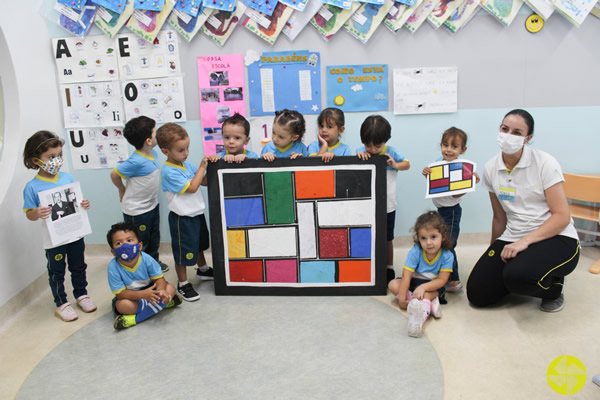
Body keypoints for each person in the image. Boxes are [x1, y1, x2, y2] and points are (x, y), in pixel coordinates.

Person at [466, 109, 580, 312]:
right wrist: (491, 254)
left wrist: (524, 242)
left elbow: (562, 216)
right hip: (514, 235)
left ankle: (554, 287)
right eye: (504, 128)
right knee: (478, 293)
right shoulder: (491, 168)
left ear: (528, 138)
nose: (508, 135)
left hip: (555, 236)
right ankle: (522, 273)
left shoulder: (545, 163)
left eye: (517, 132)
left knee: (516, 276)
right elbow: (499, 217)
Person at [22, 130, 96, 322]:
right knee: (57, 271)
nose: (57, 160)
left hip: (75, 234)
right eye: (51, 157)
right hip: (54, 239)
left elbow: (77, 203)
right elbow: (29, 214)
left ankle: (81, 294)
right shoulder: (32, 187)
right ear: (36, 160)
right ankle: (61, 303)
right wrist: (36, 213)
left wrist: (84, 205)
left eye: (59, 155)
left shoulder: (68, 179)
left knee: (78, 266)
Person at [156, 123, 213, 302]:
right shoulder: (168, 171)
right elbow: (193, 187)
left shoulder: (185, 165)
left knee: (199, 244)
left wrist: (214, 167)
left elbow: (203, 182)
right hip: (182, 219)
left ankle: (203, 269)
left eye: (187, 147)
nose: (186, 152)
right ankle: (183, 283)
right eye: (181, 150)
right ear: (165, 151)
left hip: (196, 214)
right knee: (183, 251)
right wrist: (202, 166)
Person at [421, 127, 479, 293]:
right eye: (445, 145)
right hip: (440, 211)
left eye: (454, 146)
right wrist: (427, 174)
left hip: (451, 211)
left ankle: (453, 280)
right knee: (442, 243)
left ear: (463, 150)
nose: (449, 149)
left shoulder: (461, 168)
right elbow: (435, 184)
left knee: (448, 244)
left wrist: (470, 182)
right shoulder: (439, 163)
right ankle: (442, 274)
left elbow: (456, 195)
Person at [110, 116, 169, 273]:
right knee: (140, 241)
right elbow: (114, 175)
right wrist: (121, 189)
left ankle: (153, 262)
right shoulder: (136, 161)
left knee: (153, 237)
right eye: (155, 132)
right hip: (137, 211)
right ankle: (141, 268)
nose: (158, 134)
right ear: (148, 140)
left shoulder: (153, 154)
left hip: (151, 205)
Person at [356, 115, 410, 282]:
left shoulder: (391, 152)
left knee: (387, 238)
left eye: (377, 146)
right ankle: (369, 264)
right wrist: (359, 155)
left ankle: (389, 267)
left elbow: (407, 164)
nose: (372, 149)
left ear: (385, 140)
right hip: (367, 204)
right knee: (367, 235)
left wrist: (395, 165)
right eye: (368, 145)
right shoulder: (362, 151)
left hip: (388, 205)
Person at [107, 222, 182, 330]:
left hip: (152, 290)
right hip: (132, 297)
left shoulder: (147, 259)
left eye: (129, 240)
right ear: (113, 252)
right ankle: (162, 305)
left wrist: (161, 290)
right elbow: (120, 294)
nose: (125, 245)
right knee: (122, 306)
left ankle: (135, 319)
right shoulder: (113, 267)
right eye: (118, 243)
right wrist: (143, 295)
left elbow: (159, 279)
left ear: (140, 245)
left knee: (170, 288)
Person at [388, 211, 452, 338]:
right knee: (393, 284)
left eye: (433, 237)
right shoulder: (415, 252)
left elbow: (442, 280)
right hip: (413, 283)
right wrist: (401, 299)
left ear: (443, 236)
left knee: (429, 293)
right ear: (418, 238)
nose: (428, 243)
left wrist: (423, 288)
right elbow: (406, 276)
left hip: (433, 286)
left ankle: (418, 319)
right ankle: (423, 302)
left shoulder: (447, 255)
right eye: (423, 238)